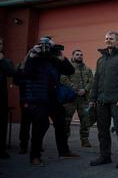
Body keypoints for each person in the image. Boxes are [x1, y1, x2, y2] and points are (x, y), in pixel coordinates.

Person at [22, 37, 79, 166]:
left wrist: (61, 56)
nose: (47, 49)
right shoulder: (34, 58)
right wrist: (32, 55)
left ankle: (64, 151)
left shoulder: (54, 59)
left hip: (54, 97)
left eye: (50, 47)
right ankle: (35, 156)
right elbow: (26, 74)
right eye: (45, 46)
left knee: (61, 123)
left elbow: (70, 71)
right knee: (40, 126)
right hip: (39, 98)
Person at [89, 31, 118, 169]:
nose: (108, 40)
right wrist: (92, 98)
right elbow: (96, 80)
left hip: (117, 101)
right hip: (101, 100)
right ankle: (105, 156)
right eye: (107, 38)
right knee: (102, 130)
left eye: (111, 38)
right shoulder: (101, 60)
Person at [61, 49, 94, 148]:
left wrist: (85, 89)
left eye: (81, 54)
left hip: (84, 99)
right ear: (73, 56)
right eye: (77, 54)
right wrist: (75, 89)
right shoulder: (67, 67)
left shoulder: (87, 69)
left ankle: (85, 140)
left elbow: (91, 81)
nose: (79, 56)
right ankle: (64, 141)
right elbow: (63, 79)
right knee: (66, 120)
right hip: (70, 98)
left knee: (85, 121)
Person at [0, 37, 15, 159]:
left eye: (1, 43)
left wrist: (2, 61)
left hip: (1, 98)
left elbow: (11, 72)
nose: (0, 45)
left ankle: (1, 149)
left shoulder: (5, 61)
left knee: (2, 124)